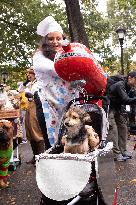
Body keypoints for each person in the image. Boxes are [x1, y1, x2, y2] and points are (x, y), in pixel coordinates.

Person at [33, 16, 79, 147]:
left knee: (69, 140)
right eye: (51, 39)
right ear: (45, 41)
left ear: (63, 40)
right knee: (52, 141)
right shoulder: (39, 57)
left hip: (67, 104)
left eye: (58, 38)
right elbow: (57, 69)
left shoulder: (68, 54)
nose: (55, 42)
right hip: (47, 103)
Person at [107, 71, 136, 161]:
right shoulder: (120, 85)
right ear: (130, 78)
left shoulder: (129, 87)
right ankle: (116, 154)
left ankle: (123, 151)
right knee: (113, 130)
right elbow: (125, 99)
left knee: (123, 127)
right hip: (109, 107)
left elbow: (131, 99)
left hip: (117, 108)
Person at [24, 68, 46, 165]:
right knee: (29, 131)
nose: (28, 75)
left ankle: (40, 158)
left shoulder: (39, 83)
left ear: (35, 74)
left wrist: (31, 95)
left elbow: (40, 96)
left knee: (36, 131)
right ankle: (35, 156)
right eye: (28, 74)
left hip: (36, 106)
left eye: (30, 73)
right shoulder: (30, 84)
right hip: (29, 107)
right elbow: (20, 90)